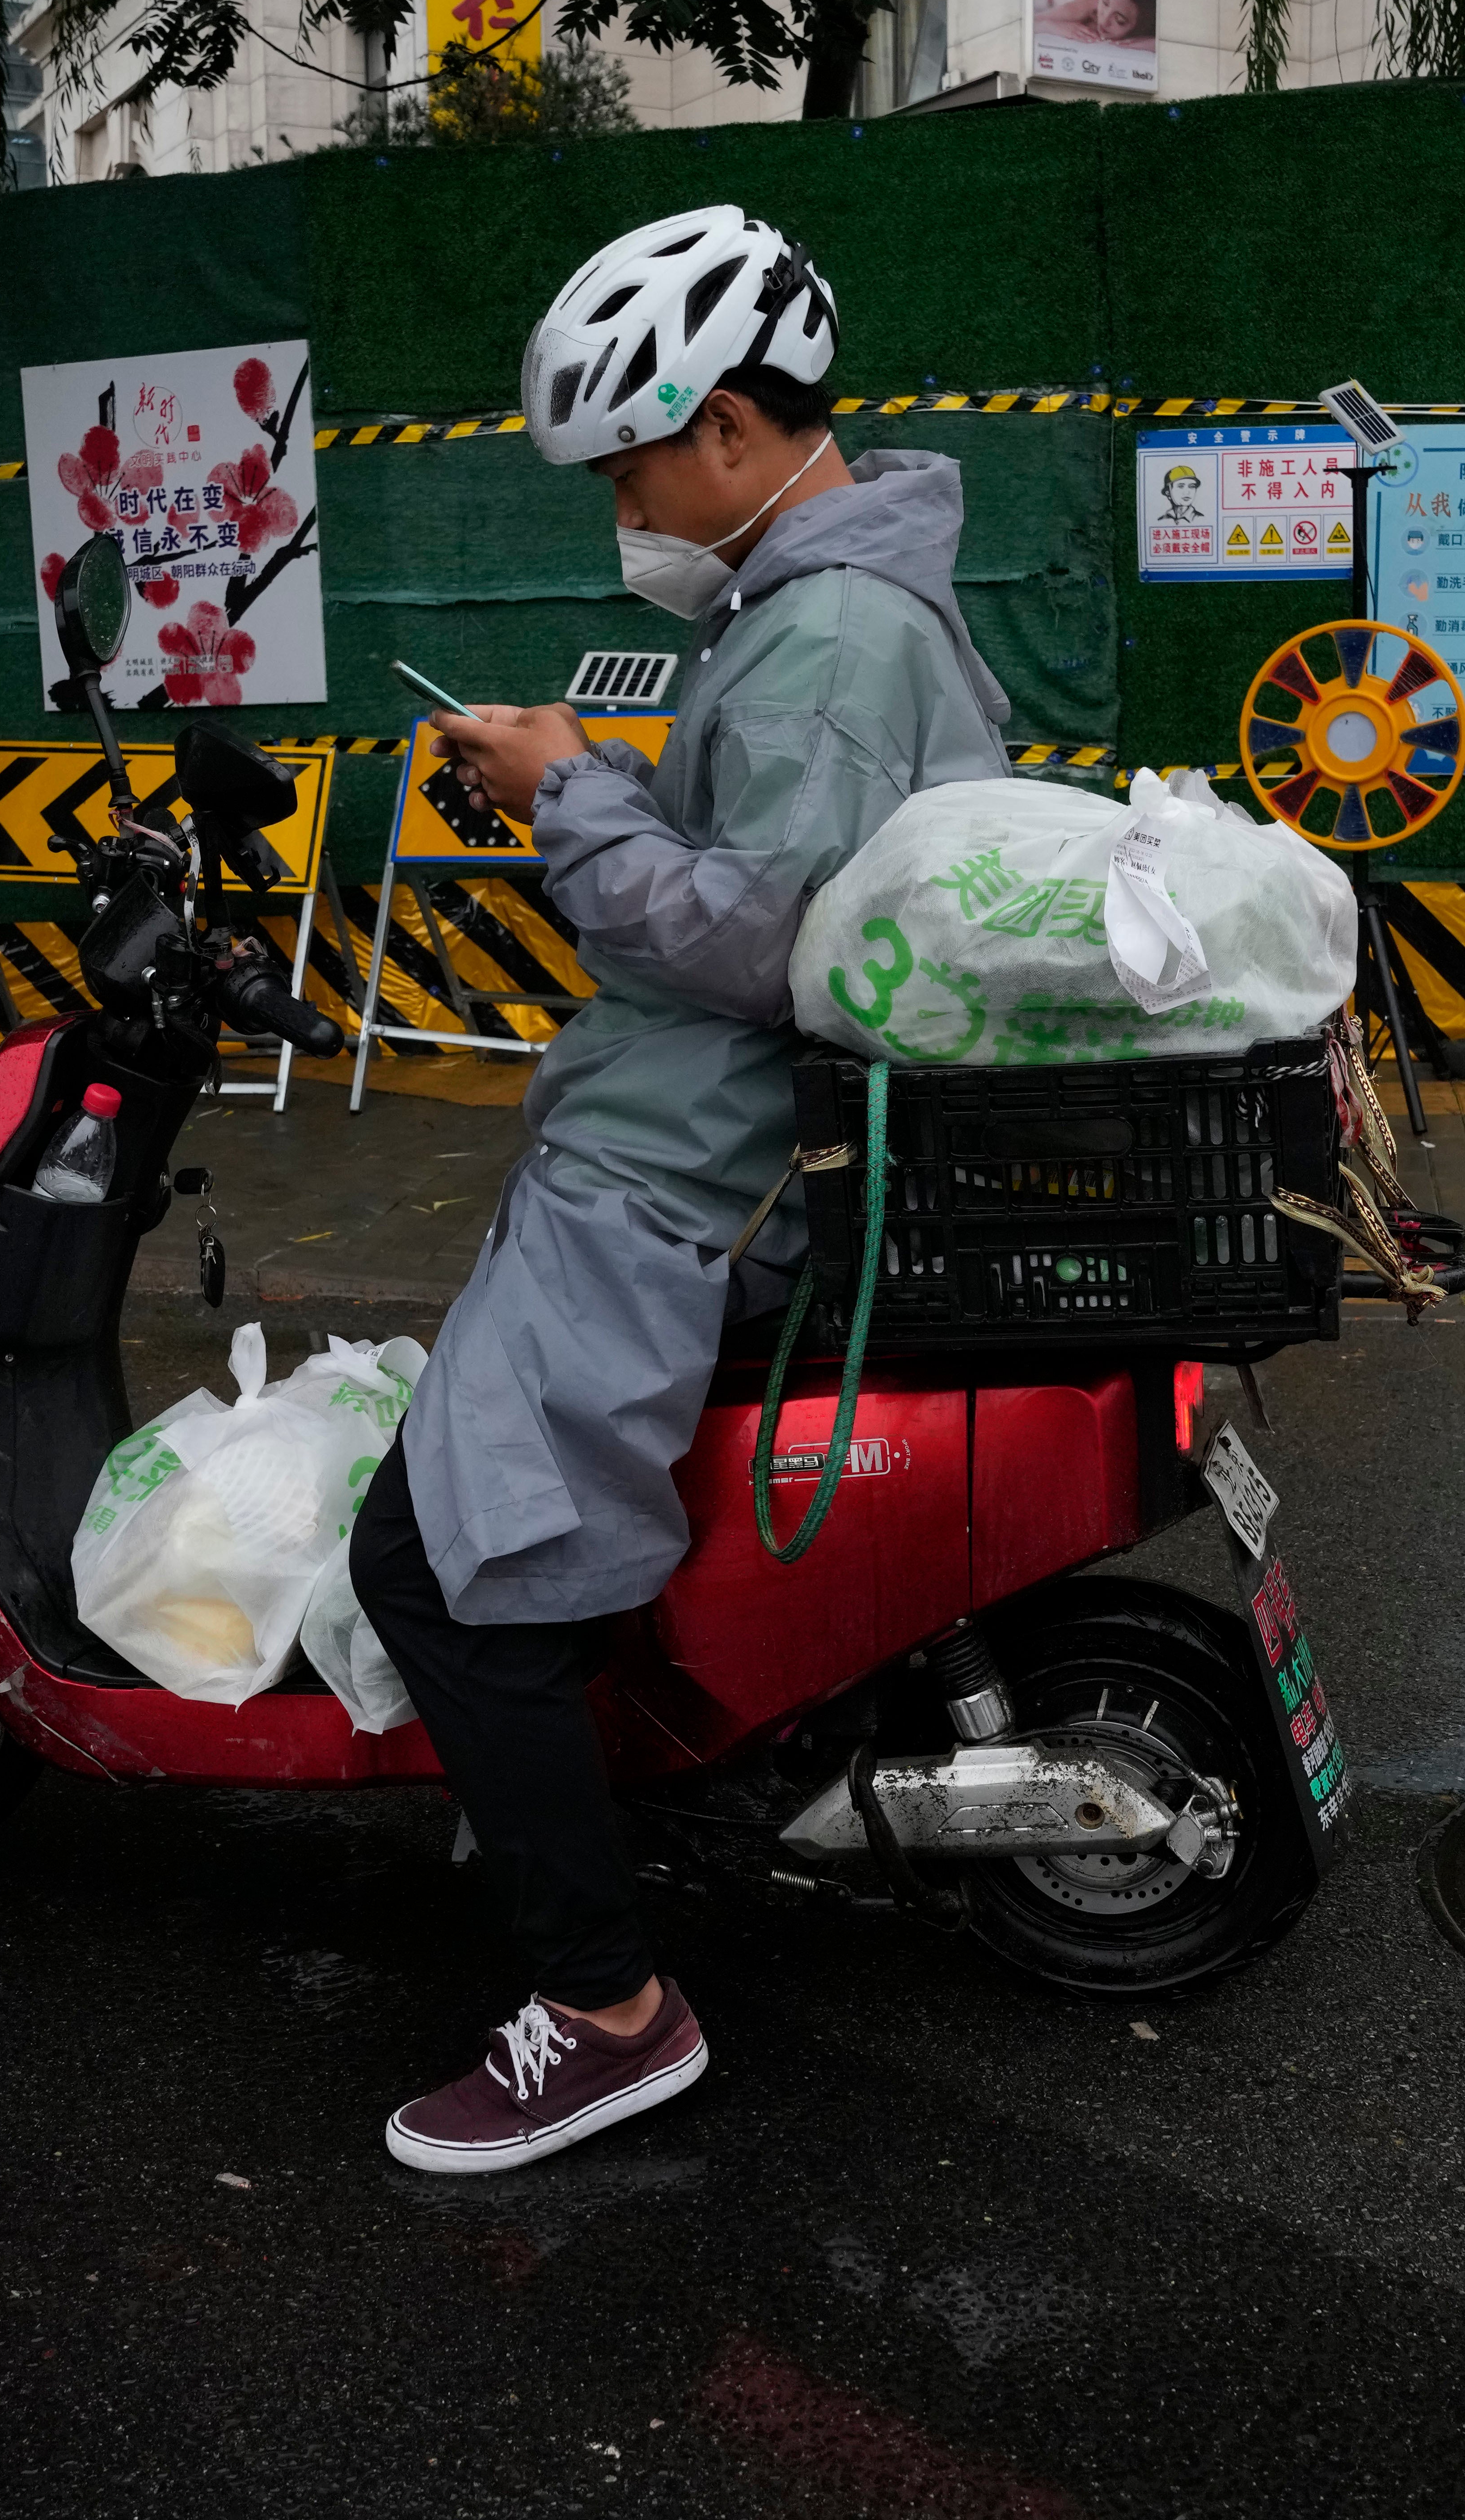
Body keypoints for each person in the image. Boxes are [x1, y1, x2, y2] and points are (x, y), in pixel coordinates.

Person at [344, 206, 1011, 2173]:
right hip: (683, 1155)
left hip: (675, 1177)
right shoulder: (820, 612)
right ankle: (613, 1822)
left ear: (724, 425)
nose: (617, 502)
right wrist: (594, 783)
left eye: (626, 461)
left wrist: (569, 792)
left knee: (439, 1567)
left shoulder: (821, 637)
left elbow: (755, 941)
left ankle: (608, 2009)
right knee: (490, 1544)